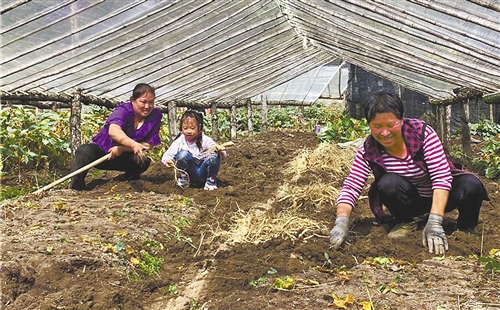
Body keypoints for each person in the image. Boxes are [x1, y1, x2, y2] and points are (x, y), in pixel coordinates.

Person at [329, 91, 489, 255]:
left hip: (442, 197)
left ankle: (465, 228)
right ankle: (406, 220)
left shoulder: (422, 134)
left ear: (402, 119)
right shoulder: (369, 149)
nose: (385, 133)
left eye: (391, 125)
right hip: (410, 201)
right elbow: (352, 186)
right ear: (369, 125)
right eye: (377, 127)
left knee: (471, 184)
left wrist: (435, 222)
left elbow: (441, 177)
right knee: (387, 183)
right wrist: (341, 222)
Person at [70, 83, 162, 190]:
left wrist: (122, 148)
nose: (147, 106)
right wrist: (133, 144)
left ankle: (129, 178)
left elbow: (148, 145)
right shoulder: (123, 110)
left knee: (144, 160)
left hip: (125, 156)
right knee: (84, 151)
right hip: (103, 151)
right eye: (143, 102)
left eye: (151, 102)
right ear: (133, 100)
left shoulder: (155, 116)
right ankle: (76, 188)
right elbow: (113, 131)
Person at [161, 109, 226, 190]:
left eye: (192, 128)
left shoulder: (205, 140)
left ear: (199, 127)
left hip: (203, 172)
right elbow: (167, 155)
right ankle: (183, 180)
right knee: (182, 155)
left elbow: (222, 153)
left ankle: (210, 182)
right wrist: (168, 160)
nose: (188, 131)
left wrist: (220, 151)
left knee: (213, 156)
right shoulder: (180, 141)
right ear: (181, 128)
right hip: (189, 174)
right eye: (185, 128)